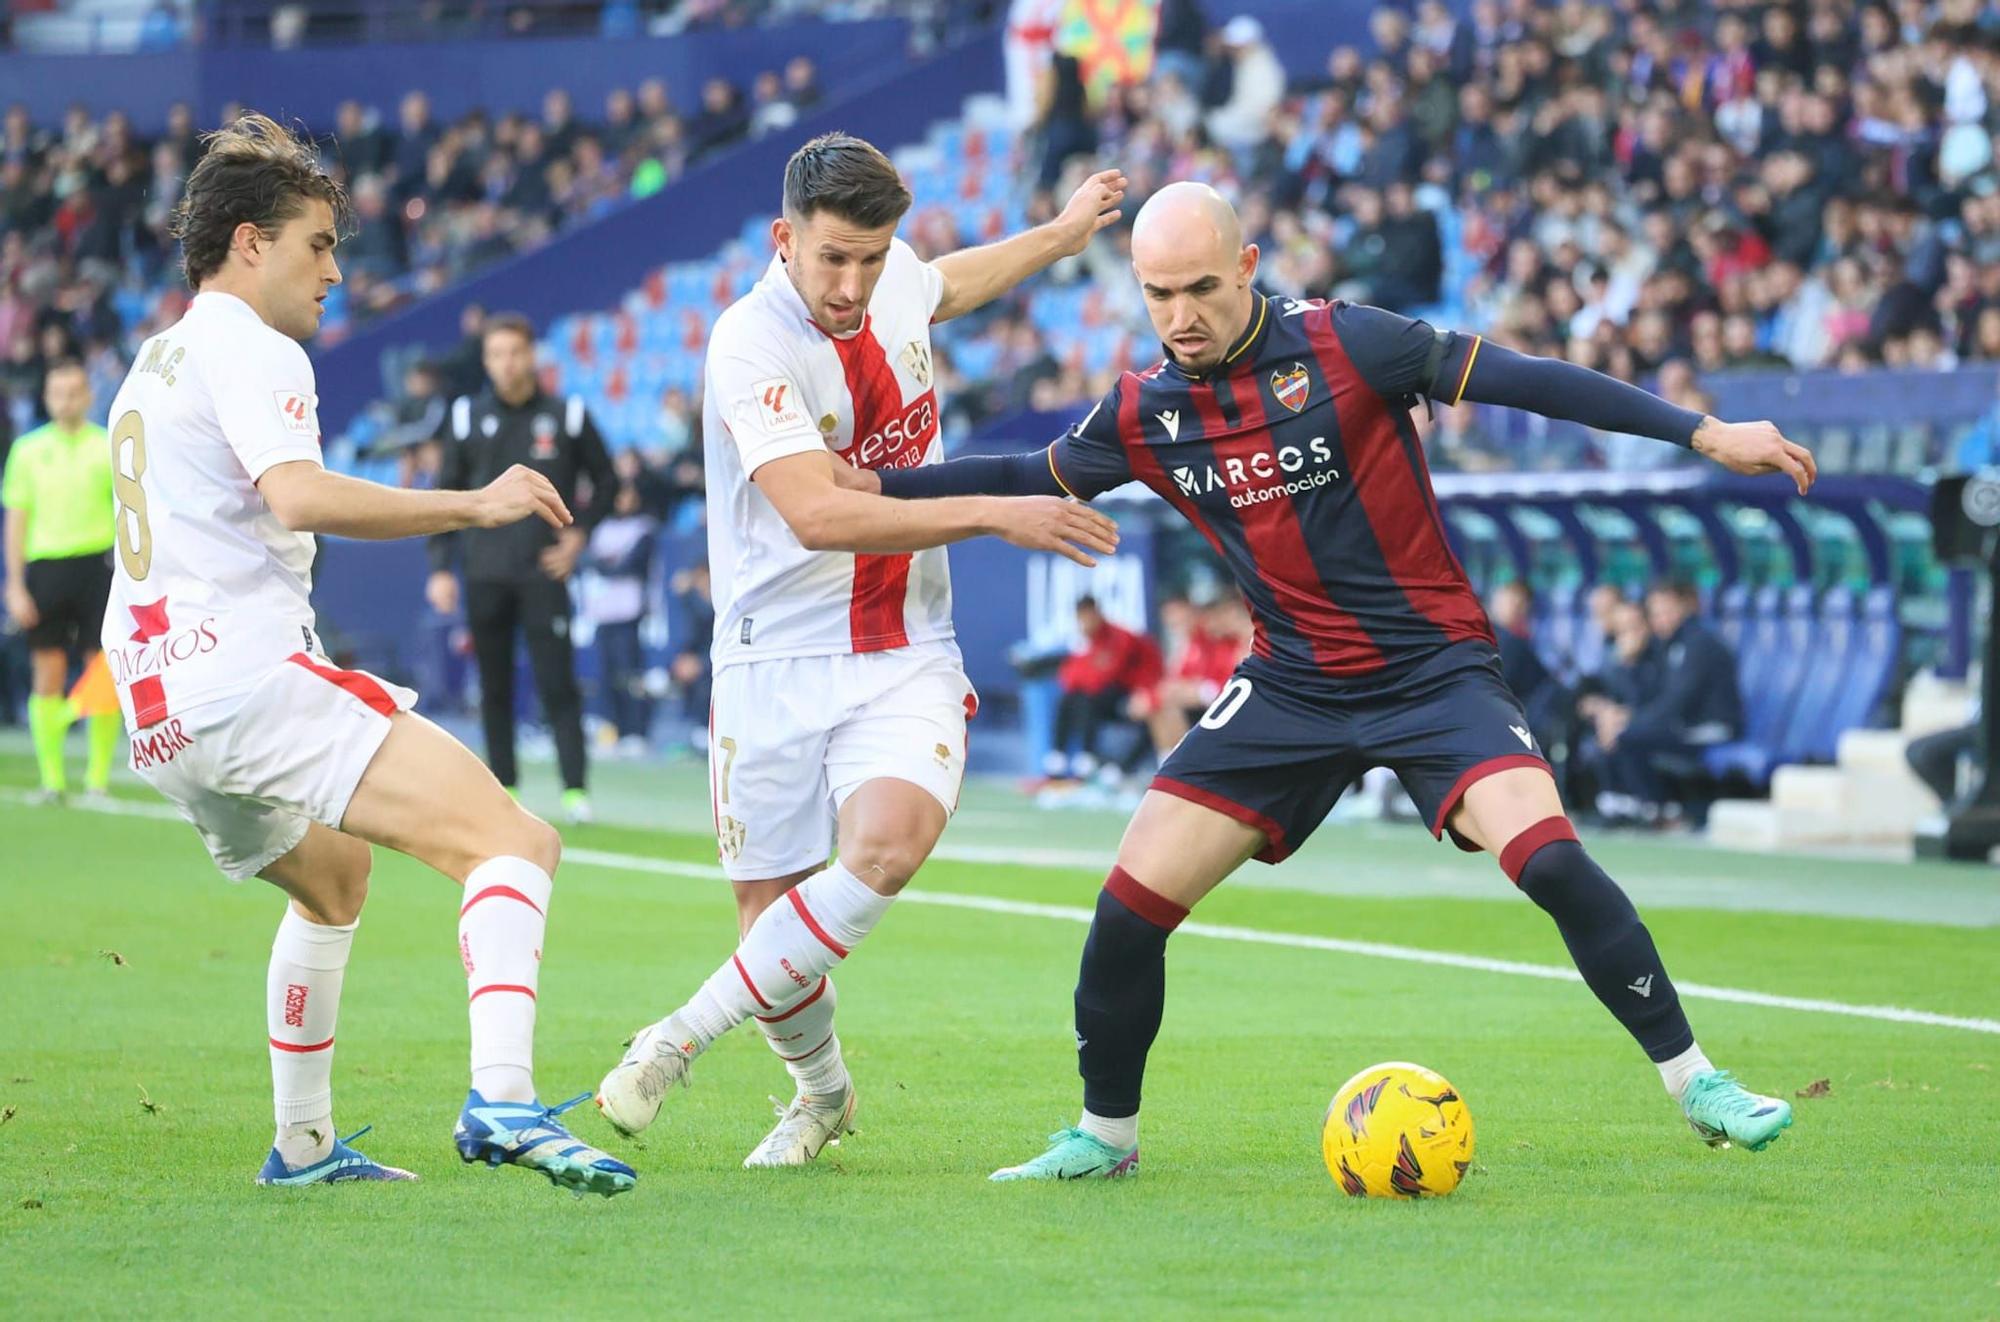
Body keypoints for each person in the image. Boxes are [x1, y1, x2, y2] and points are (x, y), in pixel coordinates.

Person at [845, 182, 1812, 1178]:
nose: (1179, 316)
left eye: (1200, 289)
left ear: (1250, 267)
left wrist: (1702, 431)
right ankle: (1104, 1136)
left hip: (1433, 673)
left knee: (1549, 859)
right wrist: (867, 487)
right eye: (1156, 294)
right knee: (1128, 907)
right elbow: (1027, 474)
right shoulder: (1146, 411)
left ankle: (1694, 1077)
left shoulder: (1352, 345)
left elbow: (1526, 378)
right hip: (1290, 686)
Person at [101, 113, 633, 1194]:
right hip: (245, 679)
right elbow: (297, 492)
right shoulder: (256, 345)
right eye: (318, 244)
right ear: (249, 242)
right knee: (515, 839)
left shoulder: (155, 359)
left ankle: (301, 1146)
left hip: (156, 709)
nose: (335, 272)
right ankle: (503, 1100)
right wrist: (472, 503)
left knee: (335, 878)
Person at [594, 133, 1125, 1168]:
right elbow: (814, 515)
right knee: (770, 927)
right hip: (770, 655)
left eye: (871, 259)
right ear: (783, 239)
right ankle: (821, 1093)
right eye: (832, 258)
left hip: (903, 645)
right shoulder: (749, 344)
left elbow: (947, 283)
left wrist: (1060, 237)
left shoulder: (889, 282)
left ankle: (675, 1039)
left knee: (882, 846)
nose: (852, 284)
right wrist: (996, 514)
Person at [426, 313, 618, 824]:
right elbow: (444, 493)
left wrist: (578, 536)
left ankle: (576, 793)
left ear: (532, 355)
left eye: (515, 352)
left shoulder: (567, 415)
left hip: (544, 573)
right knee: (493, 687)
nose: (506, 364)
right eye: (496, 355)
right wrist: (441, 567)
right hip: (484, 572)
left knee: (558, 684)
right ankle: (504, 792)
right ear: (486, 361)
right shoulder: (466, 417)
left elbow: (607, 482)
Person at [2, 360, 118, 801]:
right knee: (46, 670)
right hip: (46, 567)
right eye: (57, 391)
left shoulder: (106, 445)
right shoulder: (28, 450)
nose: (66, 399)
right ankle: (52, 780)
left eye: (74, 391)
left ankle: (97, 780)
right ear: (46, 396)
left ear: (88, 396)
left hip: (98, 566)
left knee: (104, 667)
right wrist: (14, 584)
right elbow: (16, 520)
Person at [1593, 580, 1744, 822]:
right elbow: (1650, 696)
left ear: (1684, 608)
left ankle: (1661, 809)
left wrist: (1631, 722)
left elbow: (1678, 700)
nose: (1661, 619)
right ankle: (1627, 805)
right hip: (1684, 726)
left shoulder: (1699, 643)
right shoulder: (1668, 645)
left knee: (1629, 736)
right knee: (1621, 734)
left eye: (1668, 610)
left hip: (1713, 728)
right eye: (1656, 613)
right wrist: (1624, 710)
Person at [1047, 595, 1161, 780]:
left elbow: (1103, 677)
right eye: (1081, 619)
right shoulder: (1085, 641)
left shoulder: (1120, 637)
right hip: (1104, 696)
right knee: (1069, 699)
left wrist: (1082, 676)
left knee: (1088, 698)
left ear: (1097, 614)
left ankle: (1087, 758)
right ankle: (1057, 759)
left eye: (1088, 617)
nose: (1084, 623)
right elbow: (1066, 678)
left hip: (1134, 693)